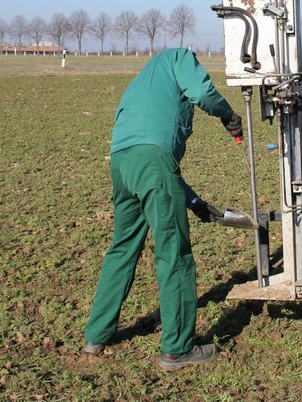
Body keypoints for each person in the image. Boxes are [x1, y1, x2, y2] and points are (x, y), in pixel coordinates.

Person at [83, 48, 243, 371]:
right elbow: (200, 92)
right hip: (151, 163)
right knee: (174, 254)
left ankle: (95, 335)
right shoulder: (180, 57)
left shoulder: (143, 81)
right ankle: (178, 350)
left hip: (122, 163)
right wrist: (229, 116)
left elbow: (149, 160)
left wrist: (194, 201)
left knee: (122, 248)